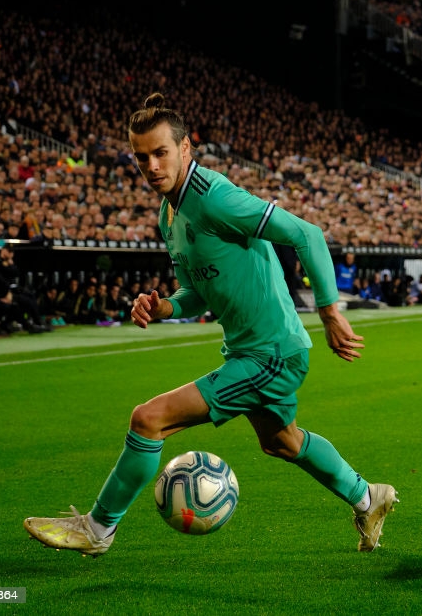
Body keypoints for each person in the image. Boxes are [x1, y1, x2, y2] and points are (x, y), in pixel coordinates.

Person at [24, 94, 397, 557]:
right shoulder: (170, 213)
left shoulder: (214, 197)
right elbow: (195, 293)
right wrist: (163, 307)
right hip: (252, 351)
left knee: (148, 419)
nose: (151, 165)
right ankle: (369, 497)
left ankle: (97, 529)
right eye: (141, 157)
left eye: (161, 152)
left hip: (271, 353)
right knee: (282, 442)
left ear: (186, 149)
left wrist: (329, 310)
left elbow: (308, 234)